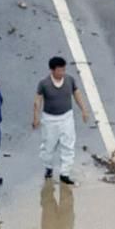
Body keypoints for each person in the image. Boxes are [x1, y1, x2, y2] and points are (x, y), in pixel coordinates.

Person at [31, 50, 80, 185]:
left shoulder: (70, 80)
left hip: (66, 117)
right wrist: (36, 117)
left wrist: (84, 109)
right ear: (52, 70)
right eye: (59, 70)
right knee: (48, 146)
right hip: (50, 119)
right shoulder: (44, 84)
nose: (62, 73)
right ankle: (48, 168)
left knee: (68, 145)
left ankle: (65, 174)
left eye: (63, 70)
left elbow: (76, 93)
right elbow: (37, 101)